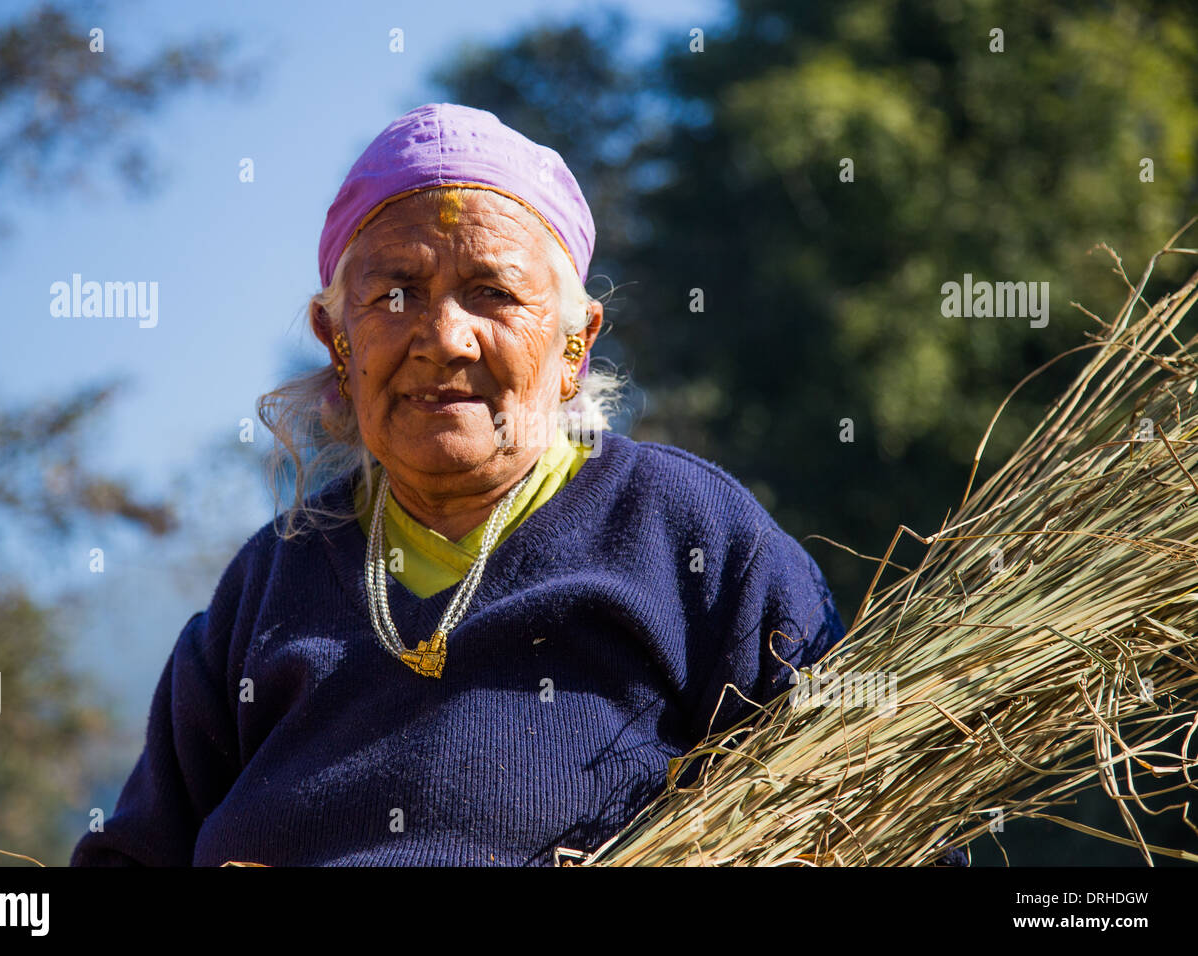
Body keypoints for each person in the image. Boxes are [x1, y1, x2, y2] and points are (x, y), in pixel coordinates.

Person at [70, 102, 853, 866]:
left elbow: (859, 810)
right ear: (337, 342)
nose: (444, 339)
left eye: (493, 293)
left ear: (574, 346)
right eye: (394, 295)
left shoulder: (692, 536)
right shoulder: (266, 587)